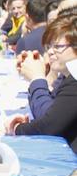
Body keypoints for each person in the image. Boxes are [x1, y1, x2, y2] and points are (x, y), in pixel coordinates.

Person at [8, 14, 77, 152]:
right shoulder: (67, 76)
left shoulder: (75, 78)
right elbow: (55, 114)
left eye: (58, 46)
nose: (50, 52)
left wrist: (16, 128)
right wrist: (46, 74)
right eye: (49, 46)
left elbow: (50, 124)